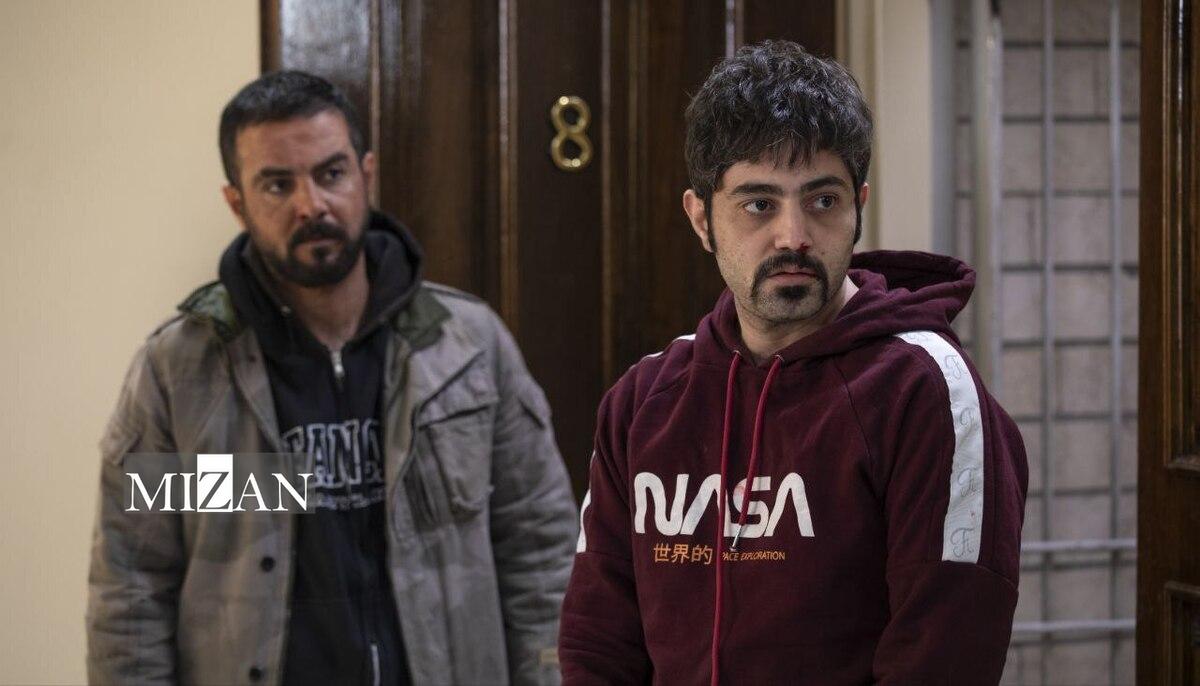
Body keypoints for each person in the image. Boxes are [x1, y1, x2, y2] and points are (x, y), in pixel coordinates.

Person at [87, 70, 578, 686]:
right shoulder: (181, 372)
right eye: (277, 184)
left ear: (366, 175)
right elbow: (133, 586)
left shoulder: (468, 348)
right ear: (237, 203)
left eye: (331, 173)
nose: (311, 205)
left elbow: (541, 555)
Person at [559, 40, 1027, 685]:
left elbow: (945, 653)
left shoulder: (924, 391)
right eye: (759, 204)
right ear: (701, 218)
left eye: (822, 200)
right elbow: (598, 641)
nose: (794, 236)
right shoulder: (644, 400)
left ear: (859, 206)